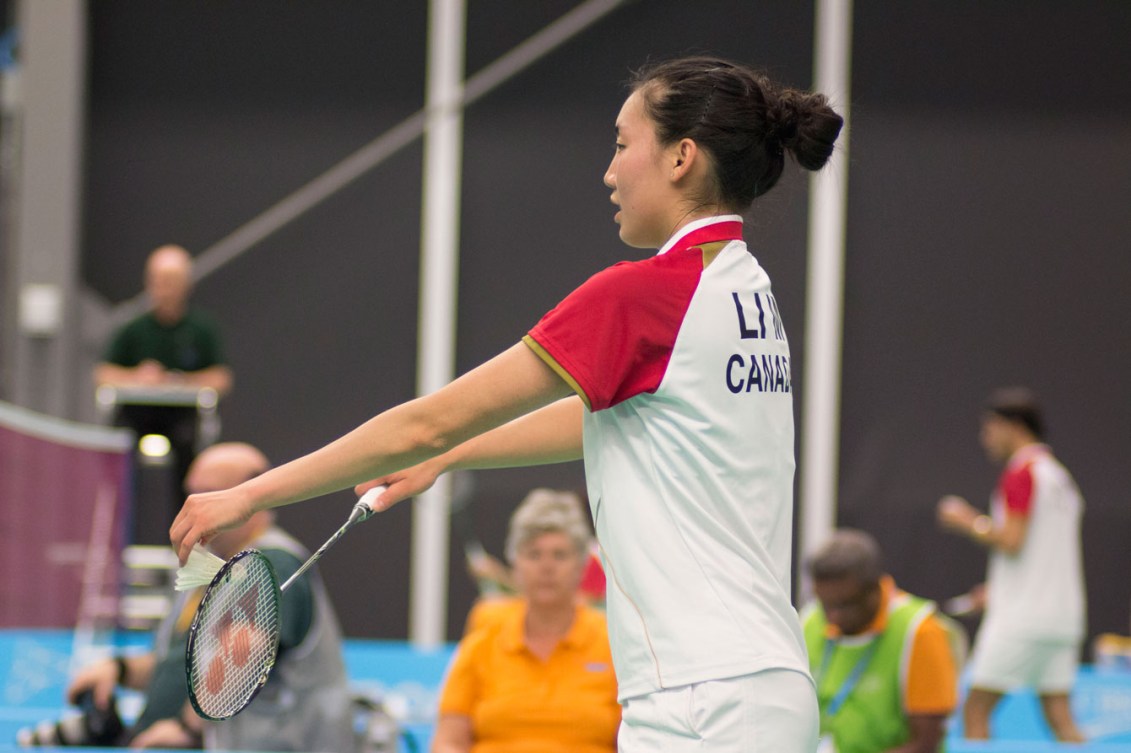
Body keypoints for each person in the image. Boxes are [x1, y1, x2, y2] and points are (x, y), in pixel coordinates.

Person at [171, 56, 843, 752]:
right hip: (757, 681)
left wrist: (247, 495)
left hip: (702, 700)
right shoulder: (743, 290)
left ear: (680, 157)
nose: (609, 172)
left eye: (621, 143)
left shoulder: (644, 296)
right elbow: (610, 421)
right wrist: (449, 456)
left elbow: (426, 418)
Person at [66, 442, 353, 752]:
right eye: (190, 494)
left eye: (209, 495)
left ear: (251, 496)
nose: (193, 508)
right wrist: (118, 670)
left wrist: (186, 728)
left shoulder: (270, 563)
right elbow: (187, 668)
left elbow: (240, 656)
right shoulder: (210, 566)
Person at [936, 387, 1086, 742]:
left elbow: (1012, 541)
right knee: (1061, 719)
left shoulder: (1021, 473)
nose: (984, 439)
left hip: (1022, 620)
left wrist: (966, 519)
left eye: (989, 428)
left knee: (975, 712)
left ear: (1014, 426)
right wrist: (998, 589)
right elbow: (1043, 553)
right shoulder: (1060, 477)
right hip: (1063, 617)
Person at [433, 488, 619, 752]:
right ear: (515, 564)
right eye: (533, 554)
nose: (546, 566)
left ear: (581, 566)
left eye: (559, 555)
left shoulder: (612, 644)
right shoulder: (482, 641)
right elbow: (448, 741)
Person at [94, 244, 233, 514]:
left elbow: (221, 378)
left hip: (181, 419)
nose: (163, 289)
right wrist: (138, 377)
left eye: (171, 281)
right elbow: (104, 373)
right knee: (120, 449)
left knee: (189, 451)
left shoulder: (201, 329)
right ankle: (117, 523)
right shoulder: (133, 328)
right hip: (137, 416)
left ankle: (186, 529)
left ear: (186, 285)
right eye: (158, 281)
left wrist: (179, 381)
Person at [803, 529, 961, 753]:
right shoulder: (810, 620)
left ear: (876, 589)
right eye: (825, 604)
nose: (833, 617)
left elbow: (926, 745)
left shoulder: (919, 631)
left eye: (845, 605)